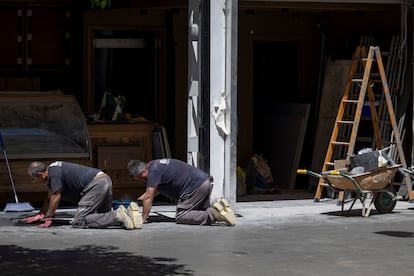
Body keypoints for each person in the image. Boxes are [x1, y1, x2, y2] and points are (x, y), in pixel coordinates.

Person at [23, 161, 142, 230]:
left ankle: (118, 215)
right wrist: (41, 214)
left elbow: (55, 197)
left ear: (40, 175)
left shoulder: (53, 174)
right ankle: (128, 214)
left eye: (33, 179)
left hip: (96, 184)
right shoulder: (54, 170)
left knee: (80, 220)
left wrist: (49, 217)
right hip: (104, 179)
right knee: (101, 216)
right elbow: (50, 197)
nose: (34, 182)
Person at [127, 158, 236, 226]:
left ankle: (213, 214)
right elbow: (152, 193)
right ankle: (220, 209)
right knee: (196, 212)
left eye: (140, 179)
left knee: (182, 215)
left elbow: (149, 197)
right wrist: (137, 202)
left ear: (143, 172)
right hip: (203, 182)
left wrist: (142, 219)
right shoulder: (156, 165)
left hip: (195, 187)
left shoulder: (153, 172)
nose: (142, 182)